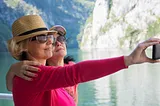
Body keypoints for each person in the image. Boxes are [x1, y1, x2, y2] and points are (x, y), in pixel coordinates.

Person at [6, 14, 160, 106]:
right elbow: (77, 72)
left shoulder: (45, 75)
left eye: (49, 37)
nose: (50, 41)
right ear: (22, 47)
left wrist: (11, 71)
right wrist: (129, 59)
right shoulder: (32, 75)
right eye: (41, 38)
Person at [6, 25, 78, 104]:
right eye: (53, 41)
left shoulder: (71, 65)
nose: (58, 43)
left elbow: (74, 99)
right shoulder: (37, 73)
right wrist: (12, 71)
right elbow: (13, 87)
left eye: (61, 39)